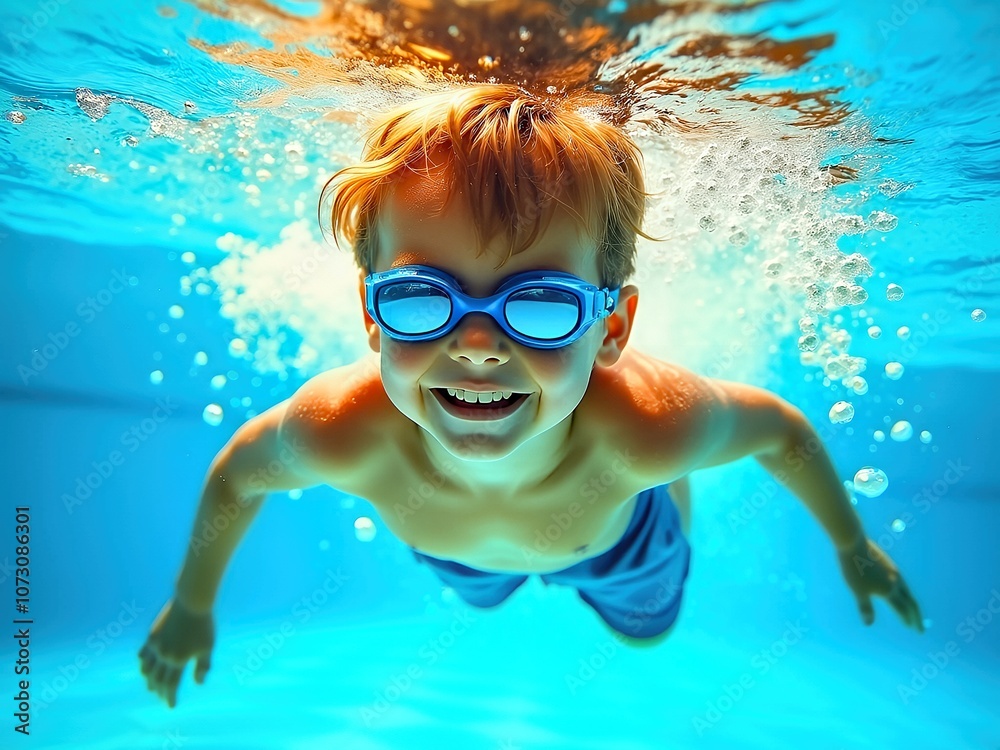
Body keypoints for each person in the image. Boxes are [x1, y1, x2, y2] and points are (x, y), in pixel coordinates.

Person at [138, 84, 923, 708]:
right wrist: (192, 604)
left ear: (611, 328)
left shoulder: (649, 427)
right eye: (421, 297)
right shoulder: (340, 429)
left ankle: (665, 499)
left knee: (645, 636)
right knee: (480, 601)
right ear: (370, 316)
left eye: (539, 304)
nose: (477, 346)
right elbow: (237, 476)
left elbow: (780, 432)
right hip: (453, 548)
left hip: (619, 543)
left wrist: (852, 548)